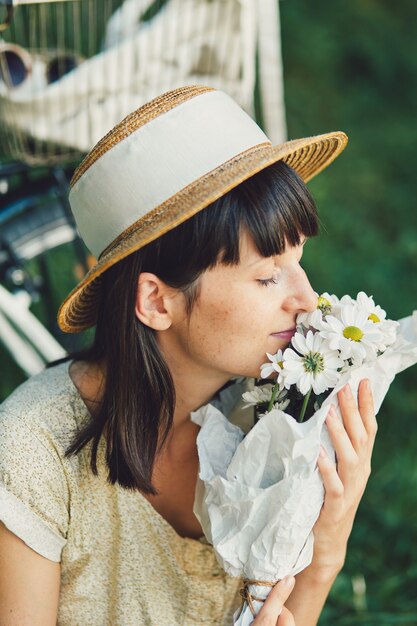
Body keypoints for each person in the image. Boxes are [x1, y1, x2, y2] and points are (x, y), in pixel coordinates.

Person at [0, 85, 377, 626]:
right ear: (156, 301)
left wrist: (327, 547)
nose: (307, 300)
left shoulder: (275, 417)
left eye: (298, 261)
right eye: (268, 276)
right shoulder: (31, 452)